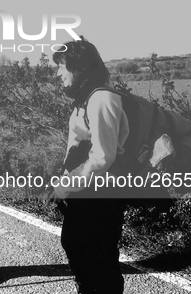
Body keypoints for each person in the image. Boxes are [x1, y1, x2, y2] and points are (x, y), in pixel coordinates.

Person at [48, 37, 129, 294]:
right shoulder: (85, 98)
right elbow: (77, 149)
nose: (57, 74)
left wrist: (65, 186)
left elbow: (102, 157)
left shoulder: (102, 99)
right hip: (89, 190)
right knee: (78, 247)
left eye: (62, 67)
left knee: (99, 258)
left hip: (104, 193)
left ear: (80, 67)